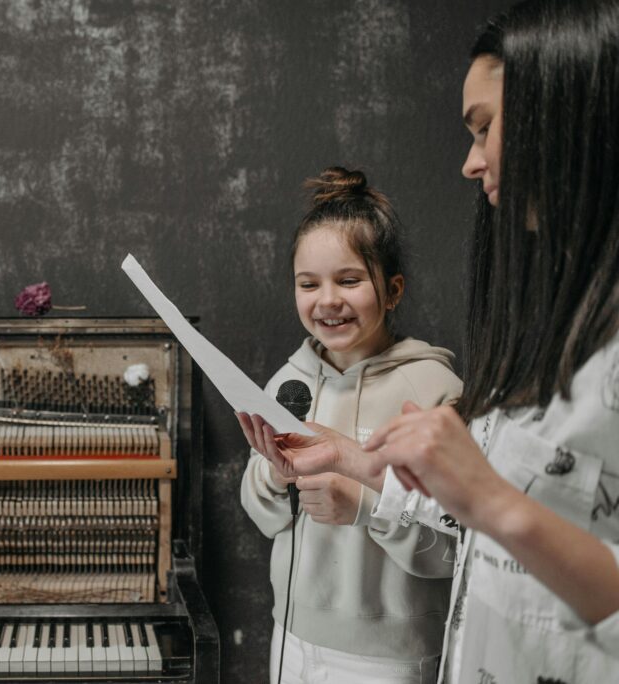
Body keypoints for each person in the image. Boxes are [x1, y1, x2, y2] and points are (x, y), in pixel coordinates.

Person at [246, 1, 619, 681]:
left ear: (568, 119)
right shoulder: (551, 327)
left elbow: (483, 523)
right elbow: (478, 536)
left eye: (485, 128)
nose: (471, 164)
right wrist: (355, 463)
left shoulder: (435, 378)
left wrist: (484, 498)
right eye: (308, 283)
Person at [237, 167, 463, 684]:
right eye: (308, 284)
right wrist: (275, 475)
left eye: (350, 280)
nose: (328, 300)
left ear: (393, 290)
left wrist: (363, 506)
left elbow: (455, 546)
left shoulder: (432, 389)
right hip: (291, 636)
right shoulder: (287, 384)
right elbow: (261, 513)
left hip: (389, 656)